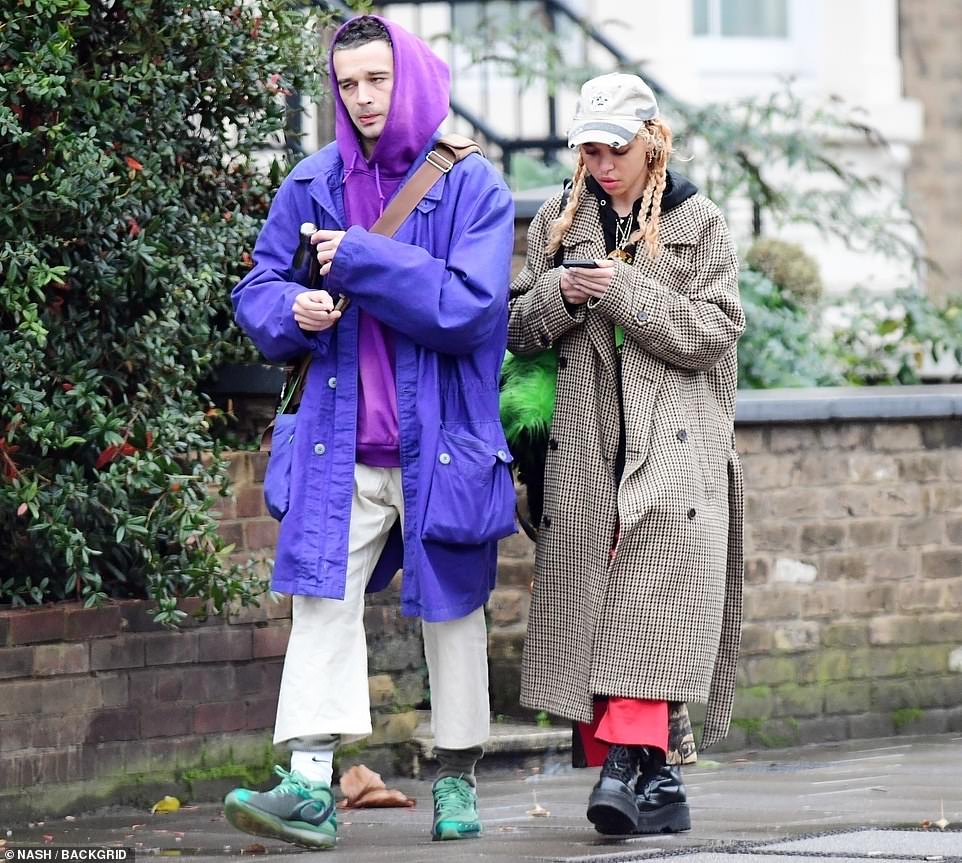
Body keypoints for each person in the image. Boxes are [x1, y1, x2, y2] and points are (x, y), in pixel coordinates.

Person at [224, 15, 516, 850]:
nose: (361, 99)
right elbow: (258, 288)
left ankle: (456, 778)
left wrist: (354, 263)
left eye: (376, 81)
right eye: (347, 83)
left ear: (411, 78)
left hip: (446, 445)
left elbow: (469, 308)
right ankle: (310, 783)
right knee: (321, 598)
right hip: (337, 443)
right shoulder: (312, 182)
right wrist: (294, 309)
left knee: (454, 610)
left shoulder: (472, 187)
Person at [506, 72, 745, 836]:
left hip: (672, 447)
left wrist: (621, 293)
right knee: (595, 600)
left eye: (616, 146)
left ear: (652, 139)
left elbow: (714, 331)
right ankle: (658, 783)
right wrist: (564, 295)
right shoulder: (558, 217)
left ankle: (620, 763)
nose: (603, 162)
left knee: (648, 595)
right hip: (585, 444)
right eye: (589, 147)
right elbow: (514, 326)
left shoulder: (697, 221)